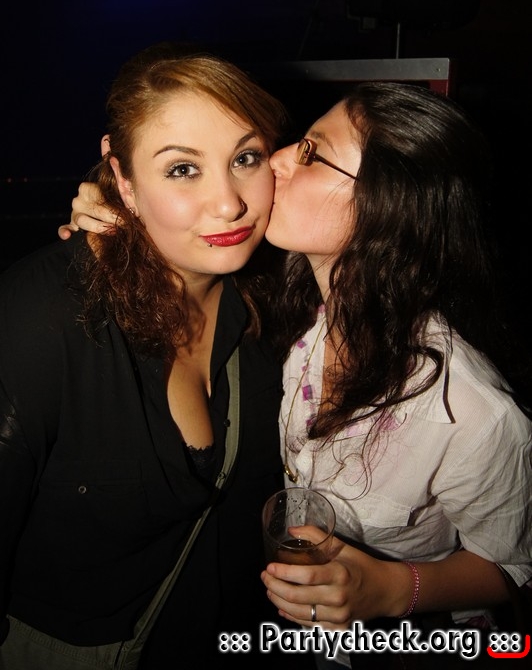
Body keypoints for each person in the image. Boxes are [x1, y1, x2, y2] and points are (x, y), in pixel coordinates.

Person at [58, 82, 532, 666]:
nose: (277, 158)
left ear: (386, 206)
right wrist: (120, 208)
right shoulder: (281, 309)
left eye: (311, 152)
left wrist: (390, 589)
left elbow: (514, 565)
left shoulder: (471, 410)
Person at [0, 44, 313, 669]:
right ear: (121, 178)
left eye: (245, 158)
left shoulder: (279, 304)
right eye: (182, 169)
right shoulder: (44, 317)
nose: (229, 203)